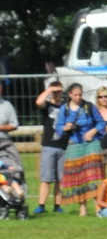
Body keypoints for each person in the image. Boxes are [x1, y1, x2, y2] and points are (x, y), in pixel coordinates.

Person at [56, 83, 106, 215]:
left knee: (93, 175)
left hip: (91, 143)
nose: (78, 97)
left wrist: (93, 131)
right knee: (77, 176)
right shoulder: (64, 109)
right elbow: (58, 127)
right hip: (74, 144)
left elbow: (101, 122)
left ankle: (98, 207)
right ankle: (82, 208)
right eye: (75, 95)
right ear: (70, 95)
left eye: (80, 94)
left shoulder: (89, 106)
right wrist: (66, 127)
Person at [34, 76, 67, 214]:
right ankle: (41, 205)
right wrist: (49, 90)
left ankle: (57, 205)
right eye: (55, 91)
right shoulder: (47, 106)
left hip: (63, 145)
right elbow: (39, 102)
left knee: (60, 179)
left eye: (59, 91)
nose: (57, 94)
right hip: (49, 145)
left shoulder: (66, 107)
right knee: (46, 178)